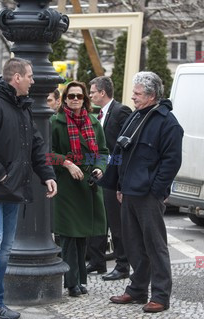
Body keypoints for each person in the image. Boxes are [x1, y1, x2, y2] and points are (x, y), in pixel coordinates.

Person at [0, 58, 58, 319]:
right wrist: (2, 175)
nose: (33, 81)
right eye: (29, 76)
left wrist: (47, 175)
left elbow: (36, 146)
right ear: (16, 78)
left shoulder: (23, 107)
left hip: (11, 189)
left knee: (4, 250)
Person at [99, 71, 183, 313]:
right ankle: (137, 290)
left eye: (137, 93)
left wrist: (156, 190)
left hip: (147, 195)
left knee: (155, 246)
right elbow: (122, 153)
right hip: (128, 192)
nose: (132, 97)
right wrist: (118, 185)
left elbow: (171, 162)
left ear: (152, 95)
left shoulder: (168, 122)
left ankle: (160, 295)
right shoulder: (136, 116)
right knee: (134, 245)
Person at [50, 81, 109, 297]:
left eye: (79, 96)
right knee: (68, 236)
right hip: (66, 185)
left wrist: (99, 169)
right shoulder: (55, 122)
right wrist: (67, 163)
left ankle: (80, 280)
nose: (75, 99)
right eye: (71, 96)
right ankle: (71, 281)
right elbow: (47, 154)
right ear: (64, 99)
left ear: (85, 99)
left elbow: (102, 152)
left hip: (88, 184)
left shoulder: (94, 122)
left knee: (83, 235)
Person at [86, 76, 132, 280]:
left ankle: (123, 266)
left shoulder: (121, 111)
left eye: (92, 92)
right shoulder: (99, 114)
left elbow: (124, 147)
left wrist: (112, 169)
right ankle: (97, 262)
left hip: (114, 178)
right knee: (98, 221)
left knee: (116, 224)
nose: (90, 95)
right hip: (100, 176)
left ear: (102, 92)